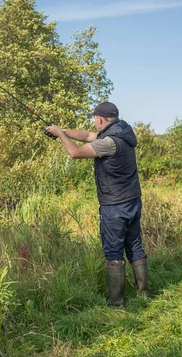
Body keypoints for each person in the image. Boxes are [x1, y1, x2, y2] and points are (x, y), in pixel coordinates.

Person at [46, 101, 149, 306]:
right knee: (134, 245)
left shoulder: (108, 143)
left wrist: (61, 137)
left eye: (94, 119)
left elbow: (75, 152)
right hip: (132, 200)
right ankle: (144, 294)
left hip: (114, 205)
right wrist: (60, 131)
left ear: (100, 119)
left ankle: (116, 303)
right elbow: (86, 135)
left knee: (113, 251)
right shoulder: (121, 133)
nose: (94, 123)